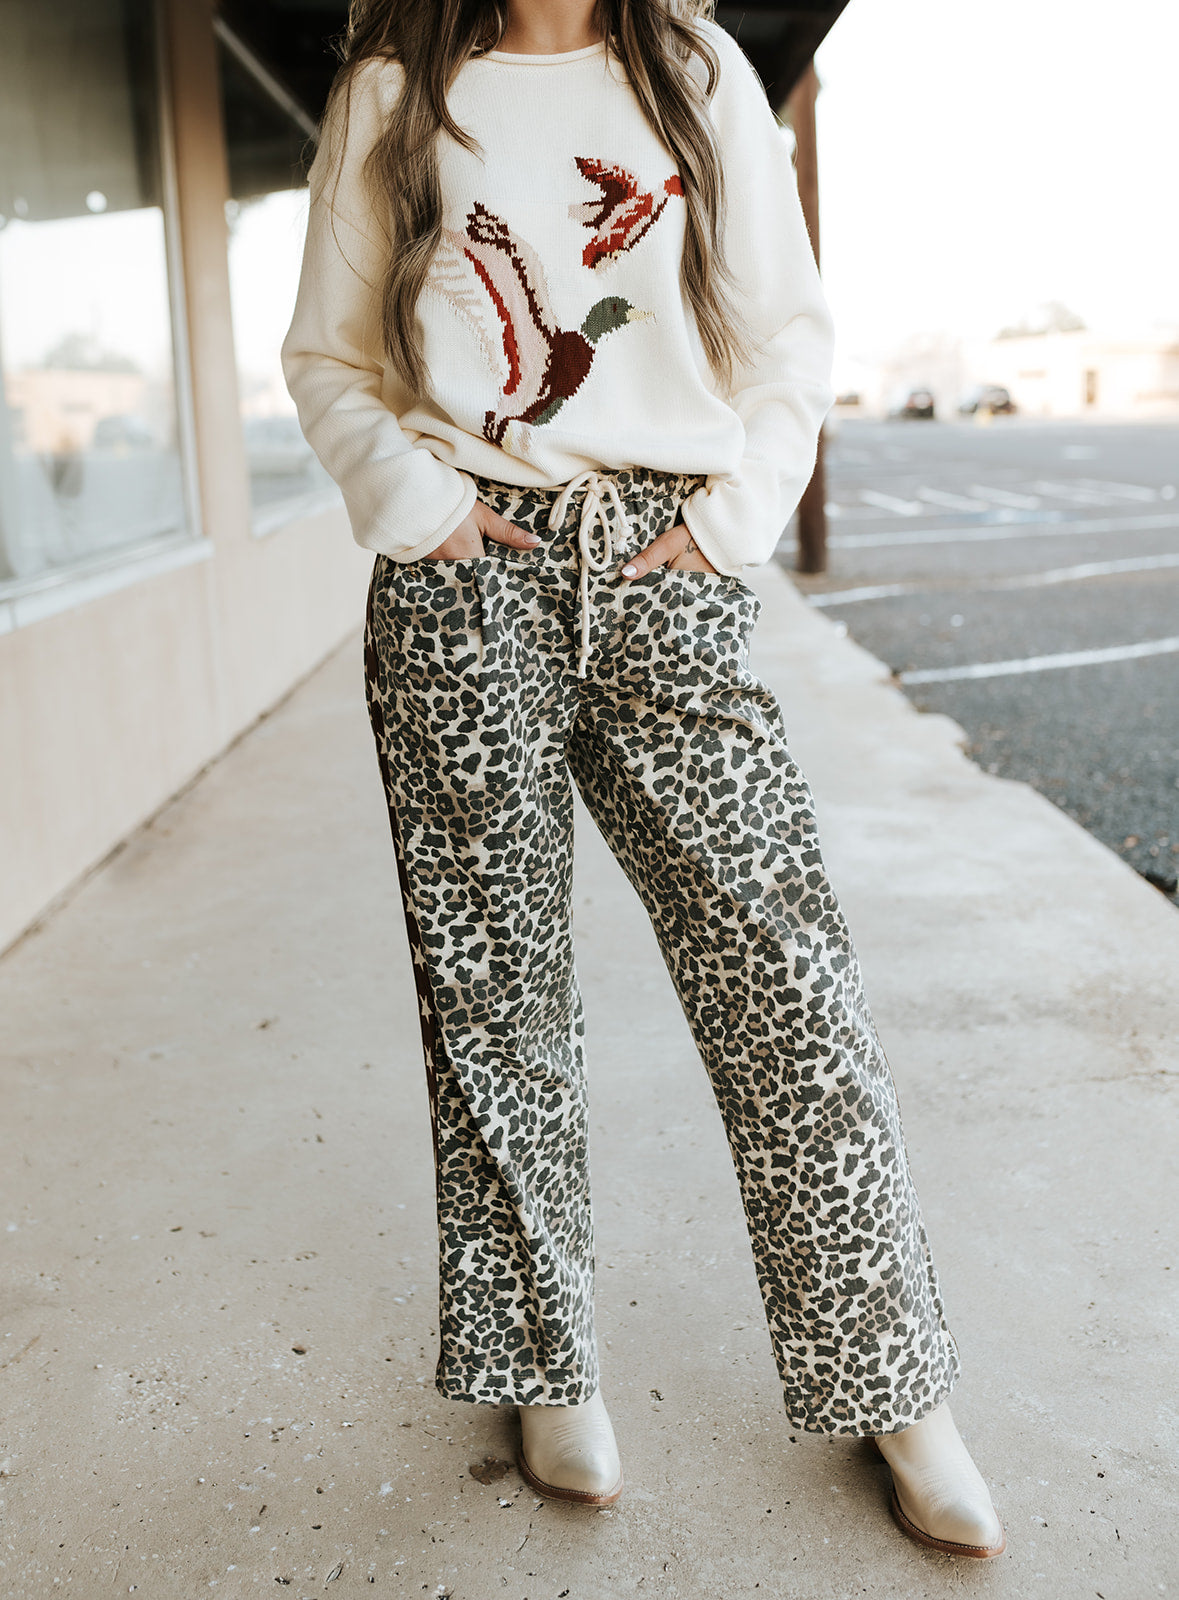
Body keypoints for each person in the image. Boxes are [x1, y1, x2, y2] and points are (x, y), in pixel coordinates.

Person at [281, 0, 1005, 1560]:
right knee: (495, 997)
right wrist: (414, 500)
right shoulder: (397, 85)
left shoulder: (691, 70)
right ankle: (545, 1365)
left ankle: (895, 1381)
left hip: (662, 569)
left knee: (787, 983)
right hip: (467, 576)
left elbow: (789, 333)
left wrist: (729, 526)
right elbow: (329, 355)